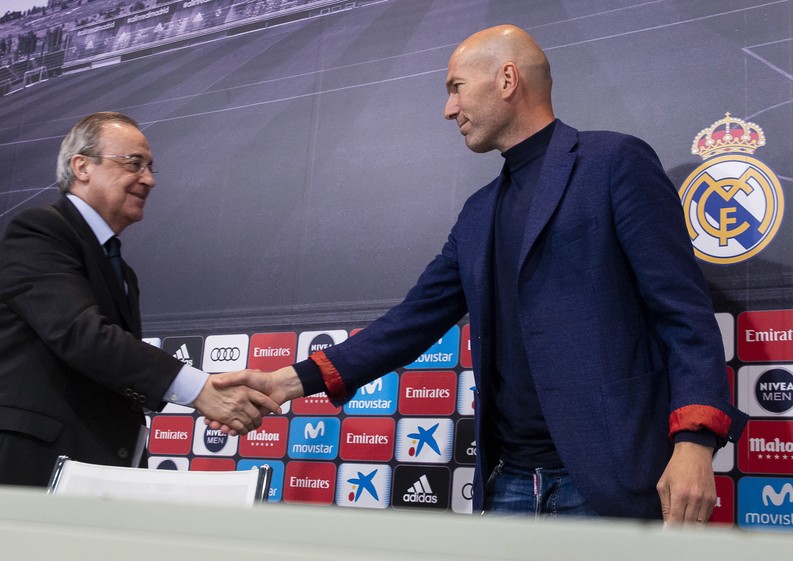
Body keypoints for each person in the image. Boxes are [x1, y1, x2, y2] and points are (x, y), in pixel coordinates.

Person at [212, 25, 748, 523]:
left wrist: (695, 443)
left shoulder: (614, 162)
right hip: (507, 482)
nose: (449, 109)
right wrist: (284, 382)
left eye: (456, 87)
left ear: (507, 79)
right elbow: (412, 321)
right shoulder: (477, 212)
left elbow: (683, 314)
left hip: (611, 480)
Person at [0, 112, 278, 487]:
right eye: (133, 163)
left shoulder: (121, 270)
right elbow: (81, 333)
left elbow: (107, 374)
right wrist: (200, 390)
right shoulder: (40, 230)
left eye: (149, 167)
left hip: (82, 472)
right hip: (9, 472)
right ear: (81, 166)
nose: (148, 179)